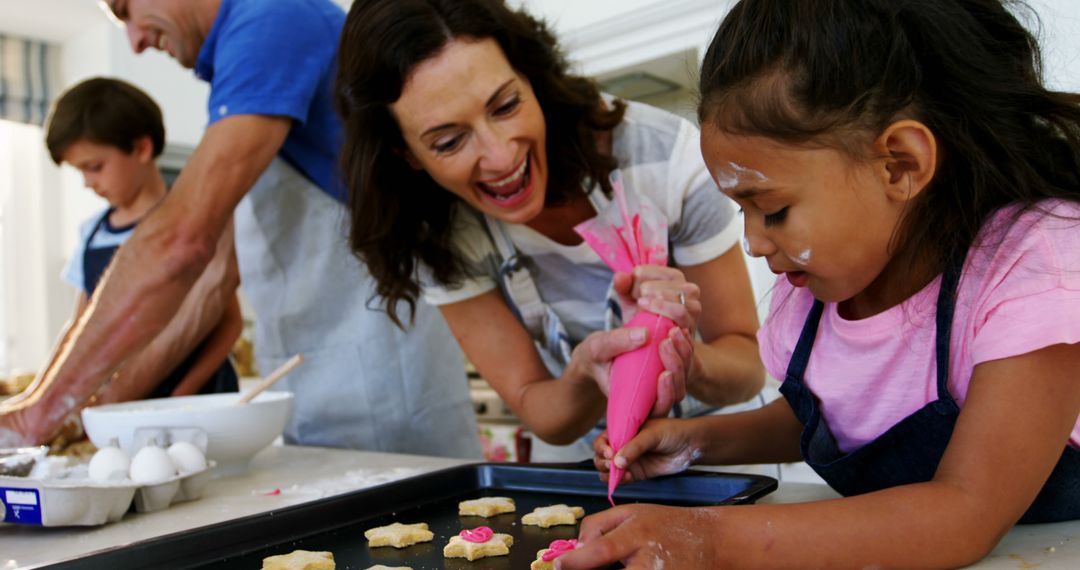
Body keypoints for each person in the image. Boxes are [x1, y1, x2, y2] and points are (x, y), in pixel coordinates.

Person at [558, 0, 1080, 568]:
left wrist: (711, 537)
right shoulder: (816, 294)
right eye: (742, 212)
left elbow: (965, 511)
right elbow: (841, 415)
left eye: (773, 209)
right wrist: (696, 440)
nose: (754, 243)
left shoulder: (1034, 266)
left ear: (900, 165)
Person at [0, 0, 482, 459]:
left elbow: (179, 243)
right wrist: (108, 406)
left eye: (128, 9)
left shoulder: (271, 21)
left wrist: (40, 412)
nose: (134, 42)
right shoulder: (239, 70)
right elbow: (212, 284)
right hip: (313, 375)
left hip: (385, 362)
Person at [337, 0, 765, 460]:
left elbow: (747, 366)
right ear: (406, 155)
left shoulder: (665, 160)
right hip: (584, 461)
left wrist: (681, 356)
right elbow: (536, 405)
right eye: (449, 141)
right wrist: (585, 373)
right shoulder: (436, 236)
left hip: (719, 451)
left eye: (505, 105)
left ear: (530, 79)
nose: (501, 158)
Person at [49, 77, 240, 401]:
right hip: (122, 404)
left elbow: (228, 323)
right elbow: (80, 327)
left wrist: (182, 395)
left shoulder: (191, 225)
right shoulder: (91, 233)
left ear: (141, 148)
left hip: (199, 398)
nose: (87, 183)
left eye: (95, 167)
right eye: (80, 171)